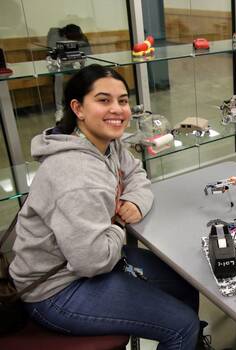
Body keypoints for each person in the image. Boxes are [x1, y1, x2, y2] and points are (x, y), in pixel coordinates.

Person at [9, 64, 201, 350]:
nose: (117, 109)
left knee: (186, 282)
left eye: (122, 100)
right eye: (103, 100)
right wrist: (117, 225)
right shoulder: (77, 174)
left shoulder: (105, 143)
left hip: (85, 262)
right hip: (57, 289)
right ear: (78, 108)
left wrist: (134, 200)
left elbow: (136, 174)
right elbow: (95, 260)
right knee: (182, 326)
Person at [47, 24, 92, 122]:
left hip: (75, 64)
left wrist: (78, 59)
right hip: (58, 64)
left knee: (84, 74)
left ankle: (83, 104)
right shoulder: (56, 37)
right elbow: (51, 55)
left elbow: (88, 54)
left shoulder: (82, 38)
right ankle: (59, 109)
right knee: (58, 75)